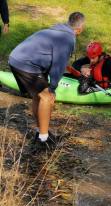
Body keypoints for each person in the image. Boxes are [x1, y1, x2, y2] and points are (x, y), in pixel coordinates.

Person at [8, 12, 85, 150]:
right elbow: (58, 65)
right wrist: (53, 87)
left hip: (16, 58)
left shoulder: (55, 30)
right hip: (25, 63)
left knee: (38, 95)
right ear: (80, 29)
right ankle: (43, 141)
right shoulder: (68, 38)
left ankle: (40, 133)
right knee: (46, 96)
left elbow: (47, 55)